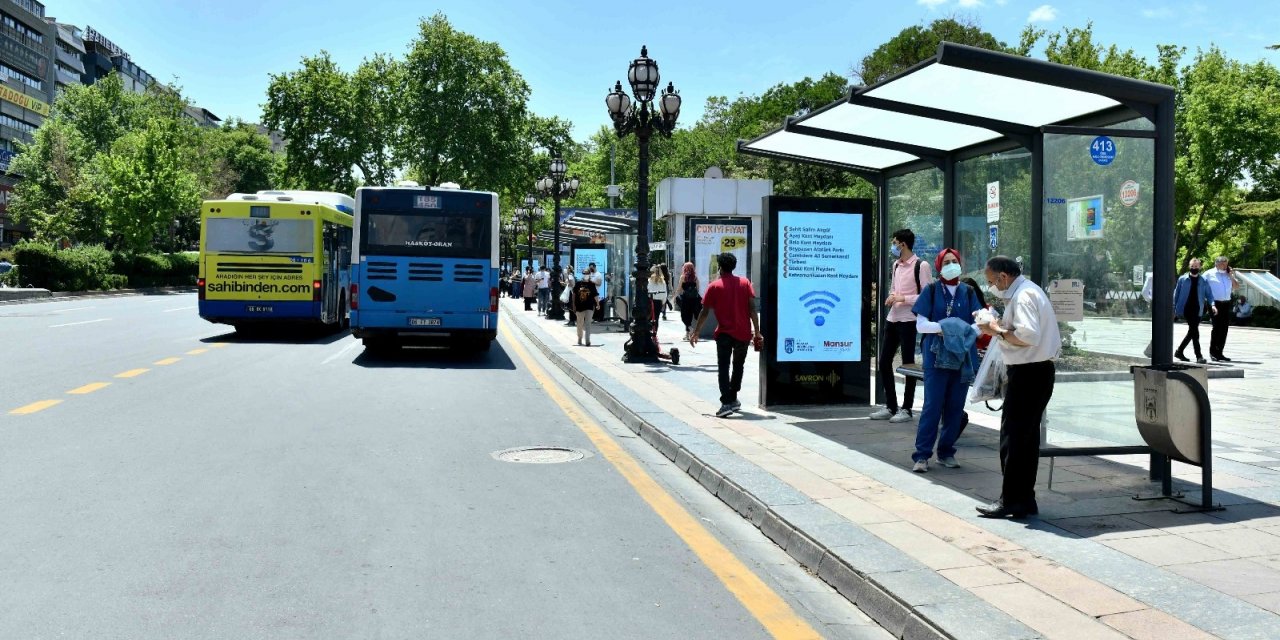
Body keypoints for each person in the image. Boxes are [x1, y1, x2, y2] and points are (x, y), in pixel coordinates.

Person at [975, 255, 1060, 519]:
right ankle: (1023, 499)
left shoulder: (1024, 295)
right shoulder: (1027, 291)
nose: (992, 286)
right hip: (1035, 373)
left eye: (992, 281)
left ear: (1003, 276)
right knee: (1024, 439)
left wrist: (994, 330)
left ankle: (1011, 500)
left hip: (1029, 374)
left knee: (1013, 439)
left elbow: (1028, 336)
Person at [910, 250, 984, 472]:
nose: (952, 265)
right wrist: (953, 328)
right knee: (932, 406)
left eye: (955, 262)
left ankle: (946, 452)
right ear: (939, 266)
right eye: (947, 262)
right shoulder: (931, 291)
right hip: (935, 358)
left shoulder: (969, 292)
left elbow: (981, 324)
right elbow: (921, 325)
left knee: (955, 407)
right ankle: (922, 455)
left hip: (962, 358)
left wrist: (948, 329)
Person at [689, 253, 761, 418]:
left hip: (724, 334)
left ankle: (726, 402)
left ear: (720, 267)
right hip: (743, 333)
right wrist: (757, 331)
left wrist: (696, 331)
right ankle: (734, 398)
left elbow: (705, 311)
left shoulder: (714, 286)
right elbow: (752, 309)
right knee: (738, 366)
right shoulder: (745, 283)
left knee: (723, 367)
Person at [872, 229, 933, 424]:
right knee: (884, 361)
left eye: (895, 243)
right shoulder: (896, 265)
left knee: (908, 365)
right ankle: (891, 405)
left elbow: (927, 295)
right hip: (893, 317)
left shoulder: (921, 265)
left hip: (910, 320)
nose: (893, 246)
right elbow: (894, 288)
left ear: (903, 244)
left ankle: (907, 408)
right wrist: (892, 296)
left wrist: (903, 298)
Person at [1173, 258, 1216, 364]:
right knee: (1195, 332)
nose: (1194, 268)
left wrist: (1213, 305)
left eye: (1196, 267)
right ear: (1189, 266)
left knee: (1192, 332)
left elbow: (1209, 295)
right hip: (1186, 308)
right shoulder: (1182, 279)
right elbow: (1176, 293)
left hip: (1198, 309)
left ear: (1200, 267)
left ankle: (1179, 351)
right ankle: (1199, 356)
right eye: (1192, 266)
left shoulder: (1203, 280)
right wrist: (1173, 308)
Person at [1206, 256, 1239, 361]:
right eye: (1223, 264)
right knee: (1216, 327)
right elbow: (1201, 287)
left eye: (1226, 264)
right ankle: (1213, 352)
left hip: (1226, 303)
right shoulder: (1209, 274)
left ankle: (1219, 352)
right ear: (1217, 264)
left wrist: (1231, 276)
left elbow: (1236, 286)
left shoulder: (1228, 274)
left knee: (1224, 328)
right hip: (1214, 303)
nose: (1225, 266)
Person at [571, 265, 600, 346]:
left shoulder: (591, 284)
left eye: (587, 273)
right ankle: (580, 338)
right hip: (579, 307)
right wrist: (573, 305)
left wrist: (597, 303)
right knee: (579, 323)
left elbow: (595, 295)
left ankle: (587, 340)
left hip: (589, 306)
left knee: (588, 324)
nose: (585, 274)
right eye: (584, 273)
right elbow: (574, 295)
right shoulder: (578, 284)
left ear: (590, 274)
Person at [677, 261, 702, 334]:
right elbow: (697, 288)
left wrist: (675, 295)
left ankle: (689, 328)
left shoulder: (683, 277)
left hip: (685, 299)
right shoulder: (695, 278)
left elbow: (679, 289)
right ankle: (688, 333)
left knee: (684, 315)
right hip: (694, 300)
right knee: (690, 315)